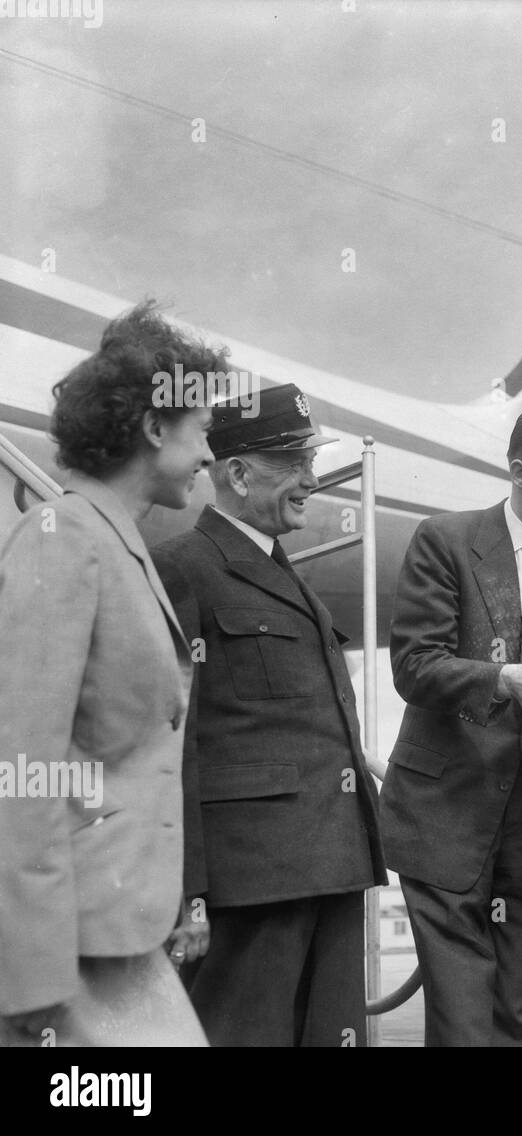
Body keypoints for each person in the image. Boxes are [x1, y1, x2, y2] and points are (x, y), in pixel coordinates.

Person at [0, 301, 223, 1046]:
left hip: (120, 936)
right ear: (156, 428)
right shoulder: (64, 540)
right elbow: (20, 767)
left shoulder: (114, 544)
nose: (210, 454)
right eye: (203, 429)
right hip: (70, 954)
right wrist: (30, 984)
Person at [150, 383, 386, 1047]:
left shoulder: (291, 580)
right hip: (249, 886)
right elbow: (174, 746)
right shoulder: (182, 570)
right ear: (239, 473)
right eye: (294, 464)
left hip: (332, 866)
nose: (312, 481)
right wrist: (186, 892)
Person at [379, 400, 522, 1046]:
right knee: (463, 1026)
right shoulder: (445, 541)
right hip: (443, 819)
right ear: (518, 472)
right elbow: (414, 666)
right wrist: (501, 679)